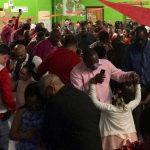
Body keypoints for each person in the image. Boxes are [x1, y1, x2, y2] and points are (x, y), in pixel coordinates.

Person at [39, 74, 102, 150]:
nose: (47, 99)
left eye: (46, 95)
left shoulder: (55, 103)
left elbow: (47, 135)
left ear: (51, 89)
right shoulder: (82, 95)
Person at [89, 76, 141, 150]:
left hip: (112, 141)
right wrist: (137, 84)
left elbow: (94, 101)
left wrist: (92, 84)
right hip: (131, 138)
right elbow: (138, 99)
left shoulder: (109, 108)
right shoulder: (129, 107)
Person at [71, 49, 137, 103]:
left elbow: (119, 75)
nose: (96, 66)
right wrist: (92, 82)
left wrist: (130, 75)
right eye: (92, 65)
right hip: (90, 106)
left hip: (107, 103)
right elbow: (79, 94)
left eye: (97, 62)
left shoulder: (105, 63)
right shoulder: (76, 72)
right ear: (84, 61)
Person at [10, 82, 44, 150]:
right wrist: (24, 135)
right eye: (30, 102)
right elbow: (12, 135)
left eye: (37, 102)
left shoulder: (46, 110)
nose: (33, 106)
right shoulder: (22, 112)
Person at [0, 44, 16, 150]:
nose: (5, 62)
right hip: (1, 112)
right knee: (3, 139)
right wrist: (14, 107)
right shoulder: (2, 72)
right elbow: (6, 96)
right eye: (5, 58)